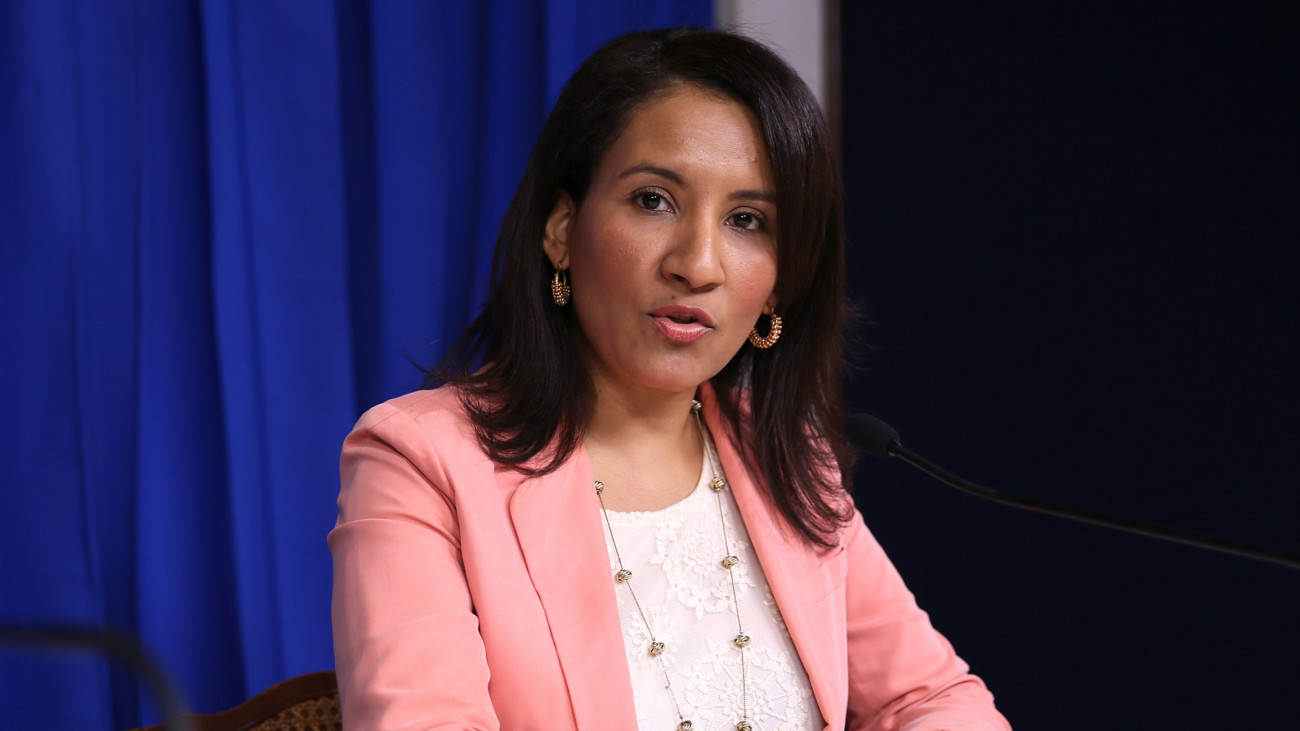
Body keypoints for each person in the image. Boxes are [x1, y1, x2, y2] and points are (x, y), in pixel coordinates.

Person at [329, 27, 1011, 731]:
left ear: (780, 284)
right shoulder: (421, 462)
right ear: (562, 229)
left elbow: (933, 699)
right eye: (654, 200)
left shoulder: (781, 453)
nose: (698, 263)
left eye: (747, 220)